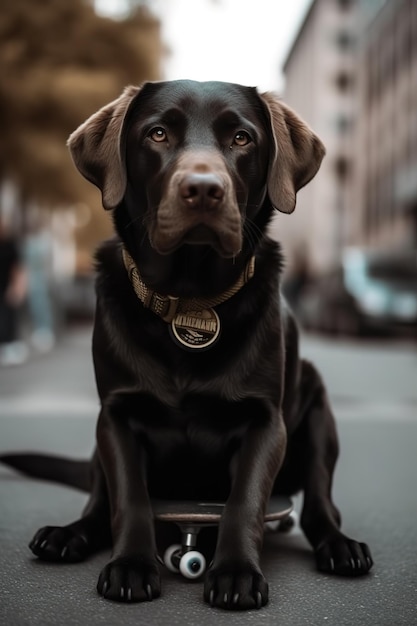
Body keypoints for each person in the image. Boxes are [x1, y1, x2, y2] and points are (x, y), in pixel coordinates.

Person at [0, 218, 28, 365]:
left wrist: (18, 287)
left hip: (7, 287)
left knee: (8, 318)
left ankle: (10, 347)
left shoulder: (10, 245)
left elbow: (17, 268)